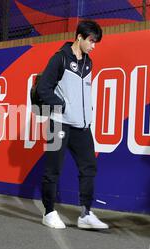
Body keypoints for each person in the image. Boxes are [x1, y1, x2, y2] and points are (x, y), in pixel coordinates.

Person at [36, 20, 109, 230]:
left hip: (81, 126)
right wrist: (62, 105)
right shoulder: (59, 58)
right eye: (91, 41)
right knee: (53, 170)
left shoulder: (89, 62)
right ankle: (49, 212)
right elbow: (43, 88)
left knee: (89, 168)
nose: (94, 45)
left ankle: (86, 213)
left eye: (96, 42)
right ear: (79, 37)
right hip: (59, 123)